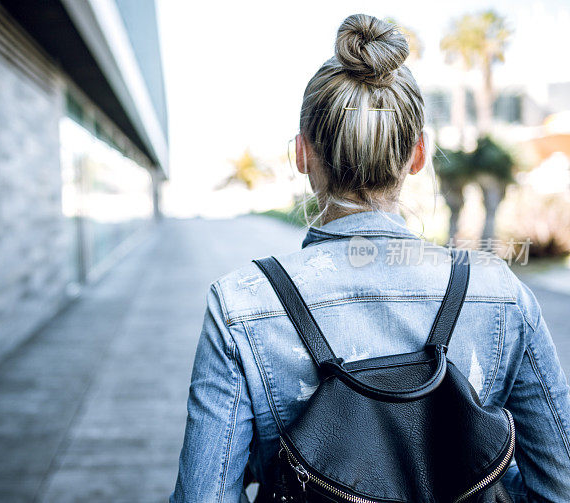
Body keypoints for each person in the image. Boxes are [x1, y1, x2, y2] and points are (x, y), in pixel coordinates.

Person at [170, 13, 570, 503]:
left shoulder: (239, 305)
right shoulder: (501, 294)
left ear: (302, 153)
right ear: (419, 154)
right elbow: (559, 487)